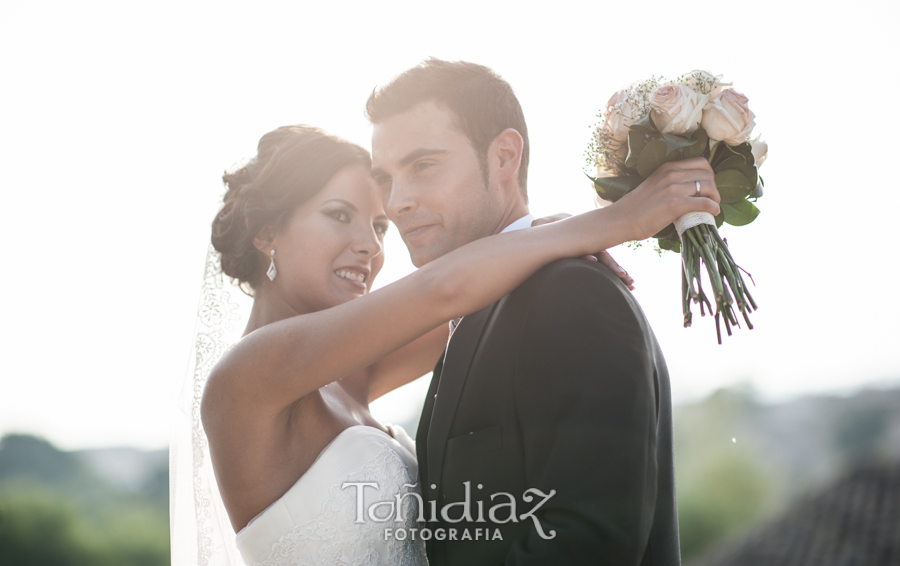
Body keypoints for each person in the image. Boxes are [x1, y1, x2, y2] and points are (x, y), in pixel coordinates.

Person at [173, 115, 718, 563]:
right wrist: (616, 220)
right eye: (339, 216)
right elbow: (447, 290)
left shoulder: (353, 377)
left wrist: (540, 236)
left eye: (380, 225)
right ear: (267, 233)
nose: (370, 248)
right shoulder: (251, 373)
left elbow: (482, 291)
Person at [365, 58, 718, 565]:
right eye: (386, 177)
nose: (397, 201)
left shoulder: (569, 296)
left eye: (423, 166)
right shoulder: (471, 312)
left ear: (505, 157)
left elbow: (590, 542)